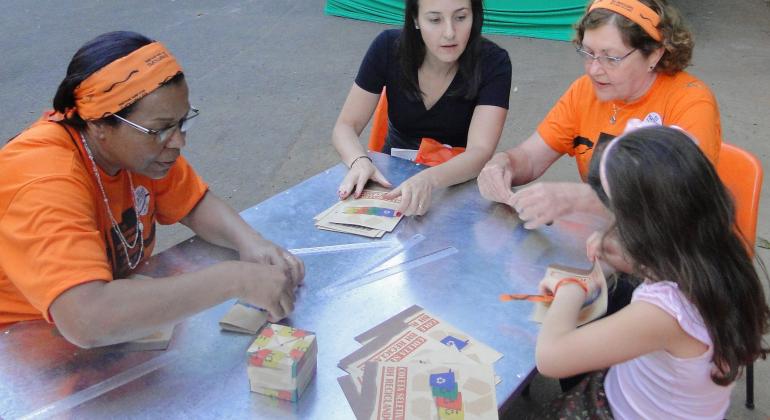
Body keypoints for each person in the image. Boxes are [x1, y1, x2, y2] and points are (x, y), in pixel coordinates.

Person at [0, 31, 304, 348]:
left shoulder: (142, 153)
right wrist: (234, 279)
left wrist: (251, 243)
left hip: (109, 323)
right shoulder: (41, 180)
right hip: (24, 342)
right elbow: (86, 318)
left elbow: (193, 202)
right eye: (160, 130)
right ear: (100, 125)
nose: (178, 142)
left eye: (182, 123)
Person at [533, 126, 769, 419]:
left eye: (617, 214)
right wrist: (620, 257)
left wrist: (571, 285)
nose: (612, 225)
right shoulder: (718, 254)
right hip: (642, 391)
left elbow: (550, 357)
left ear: (645, 228)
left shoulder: (664, 313)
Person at [477, 0, 721, 230]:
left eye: (611, 58)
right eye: (588, 53)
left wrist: (579, 199)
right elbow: (531, 157)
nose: (594, 70)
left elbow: (676, 202)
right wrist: (503, 164)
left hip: (674, 254)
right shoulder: (585, 91)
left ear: (655, 54)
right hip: (607, 239)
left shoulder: (690, 101)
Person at [332, 0, 511, 216]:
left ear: (475, 15)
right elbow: (346, 125)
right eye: (435, 19)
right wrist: (359, 161)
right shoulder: (388, 47)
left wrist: (429, 179)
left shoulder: (493, 62)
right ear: (415, 19)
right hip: (392, 173)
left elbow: (480, 152)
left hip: (455, 180)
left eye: (461, 17)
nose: (449, 33)